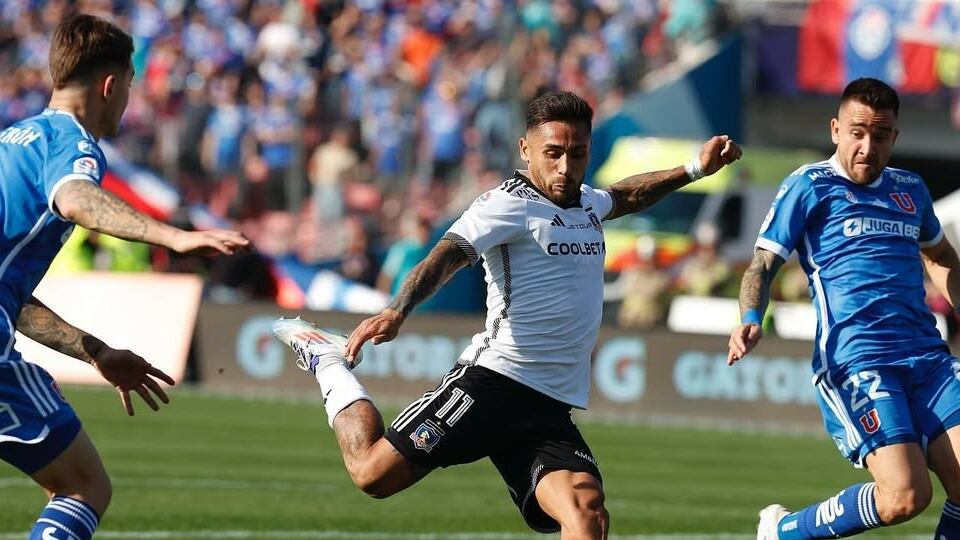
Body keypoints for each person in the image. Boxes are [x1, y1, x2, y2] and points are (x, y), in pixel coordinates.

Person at [273, 90, 741, 539]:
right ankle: (328, 362)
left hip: (551, 404)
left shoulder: (585, 203)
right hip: (494, 383)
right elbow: (448, 255)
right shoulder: (507, 203)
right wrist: (397, 309)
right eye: (553, 152)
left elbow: (627, 196)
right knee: (372, 473)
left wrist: (696, 168)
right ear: (526, 149)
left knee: (587, 515)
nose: (564, 166)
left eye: (577, 154)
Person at [0, 15, 249, 540]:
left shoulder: (10, 143)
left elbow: (13, 299)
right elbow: (79, 199)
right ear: (111, 86)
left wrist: (95, 351)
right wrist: (173, 237)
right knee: (83, 487)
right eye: (130, 87)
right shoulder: (71, 144)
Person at [727, 78, 960, 540]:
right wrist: (750, 319)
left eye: (880, 135)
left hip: (928, 358)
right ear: (836, 130)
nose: (867, 146)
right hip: (858, 361)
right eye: (857, 132)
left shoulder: (910, 190)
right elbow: (762, 264)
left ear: (894, 137)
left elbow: (940, 256)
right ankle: (783, 531)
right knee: (905, 497)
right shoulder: (809, 185)